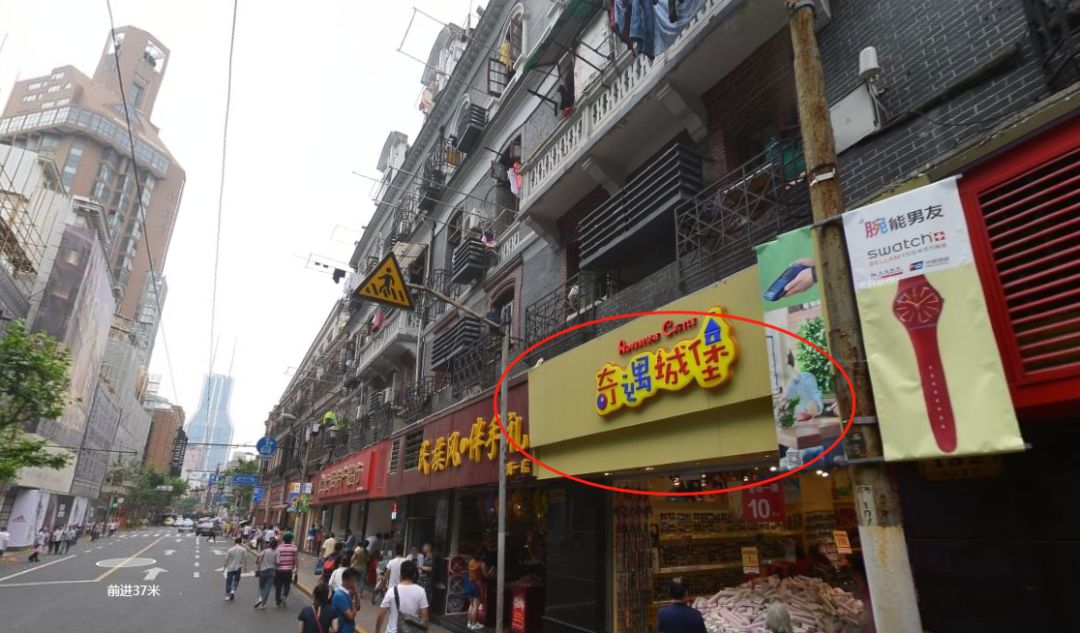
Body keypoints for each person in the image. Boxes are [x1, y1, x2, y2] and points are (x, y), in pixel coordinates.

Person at [376, 560, 429, 633]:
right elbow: (424, 617)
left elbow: (380, 616)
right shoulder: (421, 591)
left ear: (400, 574)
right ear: (414, 575)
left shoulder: (392, 591)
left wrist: (377, 631)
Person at [332, 567, 363, 633]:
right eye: (354, 581)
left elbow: (358, 607)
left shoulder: (347, 592)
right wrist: (353, 604)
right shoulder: (340, 596)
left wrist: (356, 594)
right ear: (346, 580)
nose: (355, 583)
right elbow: (350, 616)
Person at [254, 538, 280, 609]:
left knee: (261, 586)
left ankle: (260, 597)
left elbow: (259, 558)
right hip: (272, 571)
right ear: (276, 545)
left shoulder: (265, 551)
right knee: (268, 588)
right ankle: (263, 604)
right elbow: (278, 562)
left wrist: (258, 568)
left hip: (263, 570)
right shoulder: (277, 552)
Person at [465, 548, 487, 630]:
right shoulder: (482, 564)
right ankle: (474, 624)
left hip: (470, 583)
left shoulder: (471, 562)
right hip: (477, 584)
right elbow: (485, 575)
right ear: (481, 555)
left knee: (471, 605)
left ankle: (469, 622)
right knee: (476, 606)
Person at [276, 532, 299, 608]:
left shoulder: (279, 547)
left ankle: (278, 601)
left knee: (279, 585)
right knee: (287, 584)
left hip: (279, 569)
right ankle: (284, 595)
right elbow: (296, 559)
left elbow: (277, 558)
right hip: (289, 570)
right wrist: (296, 568)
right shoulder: (294, 548)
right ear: (291, 540)